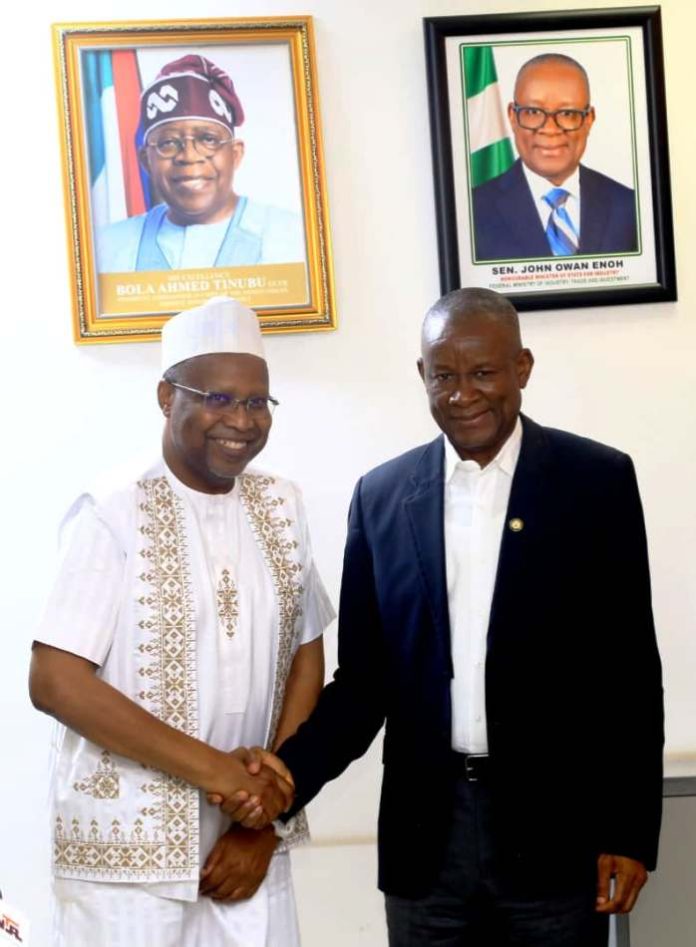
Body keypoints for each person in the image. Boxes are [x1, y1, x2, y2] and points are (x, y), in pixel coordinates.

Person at [266, 287, 663, 946]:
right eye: (444, 374)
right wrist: (283, 779)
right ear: (422, 375)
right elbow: (363, 682)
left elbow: (628, 675)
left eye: (483, 372)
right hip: (428, 845)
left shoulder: (596, 481)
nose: (463, 392)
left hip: (558, 840)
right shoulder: (382, 496)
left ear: (522, 369)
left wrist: (628, 833)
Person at [29, 296, 333, 946]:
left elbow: (307, 652)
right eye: (219, 398)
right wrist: (220, 774)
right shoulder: (112, 509)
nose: (242, 421)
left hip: (249, 849)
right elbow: (56, 680)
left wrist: (263, 818)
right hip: (126, 857)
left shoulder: (282, 504)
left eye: (257, 402)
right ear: (167, 397)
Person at [97, 55, 305, 273]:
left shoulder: (295, 237)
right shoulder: (107, 247)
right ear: (147, 161)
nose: (189, 156)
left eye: (208, 140)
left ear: (235, 154)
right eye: (168, 143)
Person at [471, 53, 638, 261]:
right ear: (513, 116)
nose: (550, 129)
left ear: (589, 119)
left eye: (568, 114)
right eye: (533, 112)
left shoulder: (630, 207)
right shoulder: (473, 211)